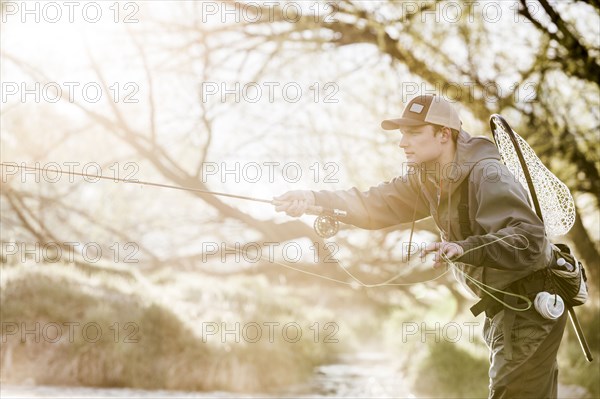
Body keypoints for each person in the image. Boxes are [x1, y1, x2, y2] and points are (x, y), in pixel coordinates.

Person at [274, 94, 568, 399]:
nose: (403, 142)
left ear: (444, 135)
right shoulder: (427, 180)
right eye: (402, 133)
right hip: (505, 309)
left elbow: (528, 238)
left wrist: (463, 247)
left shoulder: (487, 174)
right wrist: (314, 200)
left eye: (414, 133)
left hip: (531, 301)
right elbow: (372, 204)